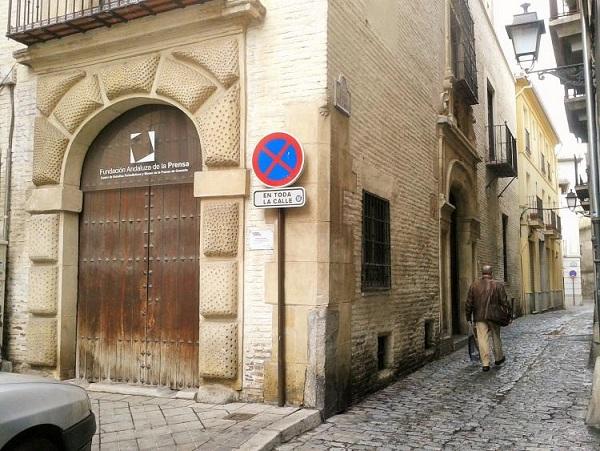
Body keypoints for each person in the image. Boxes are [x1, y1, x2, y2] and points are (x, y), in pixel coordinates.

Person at [465, 265, 510, 372]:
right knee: (496, 337)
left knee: (482, 339)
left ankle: (485, 364)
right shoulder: (498, 285)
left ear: (482, 273)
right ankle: (498, 358)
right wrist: (509, 315)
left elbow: (468, 303)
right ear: (491, 273)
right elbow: (505, 302)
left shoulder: (474, 285)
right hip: (494, 316)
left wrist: (468, 316)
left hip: (479, 317)